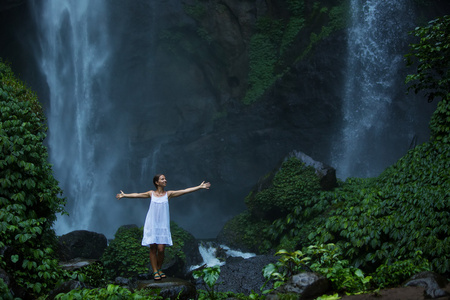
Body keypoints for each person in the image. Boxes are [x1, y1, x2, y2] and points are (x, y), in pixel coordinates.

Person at [116, 174, 211, 281]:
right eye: (162, 179)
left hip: (162, 225)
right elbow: (138, 195)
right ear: (157, 182)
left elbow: (184, 191)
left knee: (161, 249)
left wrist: (199, 187)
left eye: (165, 178)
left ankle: (159, 268)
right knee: (153, 248)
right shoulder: (151, 193)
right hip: (151, 224)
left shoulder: (168, 194)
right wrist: (124, 195)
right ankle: (155, 271)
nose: (165, 180)